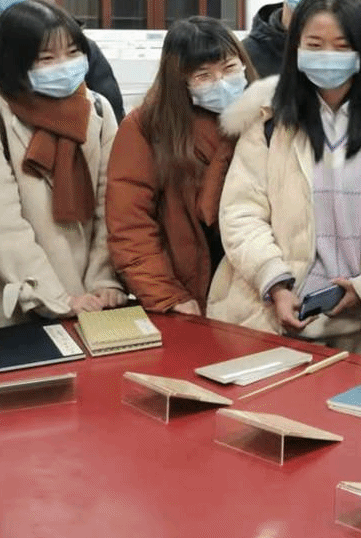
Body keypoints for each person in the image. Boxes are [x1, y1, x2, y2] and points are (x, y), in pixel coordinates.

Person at [213, 0, 361, 364]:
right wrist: (275, 281)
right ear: (295, 48)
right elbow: (241, 211)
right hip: (276, 318)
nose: (328, 56)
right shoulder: (269, 117)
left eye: (342, 46)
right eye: (314, 44)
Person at [0, 0, 125, 327]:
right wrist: (56, 297)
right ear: (13, 62)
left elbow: (112, 202)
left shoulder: (97, 108)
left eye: (73, 52)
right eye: (46, 58)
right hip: (24, 305)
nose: (65, 65)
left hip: (96, 301)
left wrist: (104, 279)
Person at [106, 18, 256, 315]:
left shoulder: (264, 117)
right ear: (180, 80)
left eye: (229, 68)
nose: (221, 82)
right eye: (203, 75)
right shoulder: (147, 127)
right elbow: (130, 224)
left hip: (254, 285)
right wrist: (167, 294)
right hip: (187, 291)